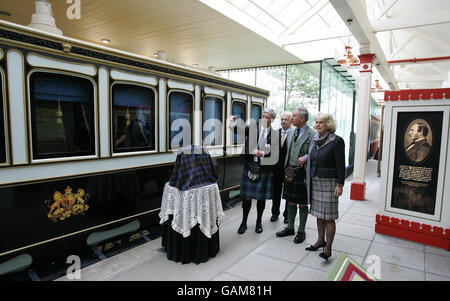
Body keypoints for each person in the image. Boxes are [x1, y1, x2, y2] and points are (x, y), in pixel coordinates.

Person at [302, 112, 345, 261]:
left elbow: (341, 165)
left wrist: (340, 184)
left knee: (329, 218)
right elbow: (312, 160)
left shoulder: (337, 141)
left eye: (321, 122)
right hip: (316, 181)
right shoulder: (315, 140)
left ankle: (328, 248)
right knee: (319, 214)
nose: (317, 125)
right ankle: (320, 240)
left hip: (330, 183)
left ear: (328, 124)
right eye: (316, 122)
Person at [228, 108, 278, 234]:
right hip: (250, 164)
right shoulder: (253, 127)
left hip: (264, 168)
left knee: (261, 198)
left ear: (272, 119)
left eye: (267, 117)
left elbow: (275, 153)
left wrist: (263, 154)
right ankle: (244, 222)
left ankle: (259, 222)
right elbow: (237, 130)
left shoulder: (275, 134)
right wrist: (232, 122)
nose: (264, 119)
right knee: (246, 197)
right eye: (263, 116)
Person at [275, 107, 315, 244]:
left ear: (302, 118)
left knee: (303, 204)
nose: (292, 118)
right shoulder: (291, 132)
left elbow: (316, 152)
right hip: (289, 171)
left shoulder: (313, 134)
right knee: (290, 200)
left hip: (303, 173)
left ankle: (301, 231)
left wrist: (307, 157)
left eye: (294, 116)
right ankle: (290, 228)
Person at [271, 111, 292, 223]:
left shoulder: (294, 134)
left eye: (286, 120)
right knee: (276, 191)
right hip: (276, 168)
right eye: (282, 119)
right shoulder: (275, 133)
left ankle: (287, 215)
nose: (283, 121)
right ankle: (275, 213)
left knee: (288, 192)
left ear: (291, 121)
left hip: (288, 168)